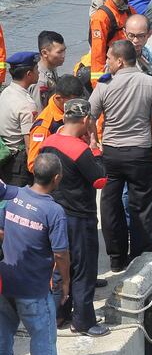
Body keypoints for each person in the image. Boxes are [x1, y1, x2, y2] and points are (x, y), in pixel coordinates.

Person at [0, 153, 78, 355]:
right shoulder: (53, 211)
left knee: (2, 332)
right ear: (57, 178)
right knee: (43, 335)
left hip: (6, 280)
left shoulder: (13, 196)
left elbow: (2, 230)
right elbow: (61, 253)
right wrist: (65, 282)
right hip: (33, 287)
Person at [89, 40, 152, 269]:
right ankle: (142, 255)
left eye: (109, 59)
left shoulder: (104, 84)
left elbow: (88, 117)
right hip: (140, 152)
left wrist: (95, 140)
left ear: (120, 60)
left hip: (111, 153)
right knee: (143, 205)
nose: (107, 63)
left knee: (110, 205)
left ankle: (117, 258)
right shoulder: (151, 83)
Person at [39, 99, 109, 336]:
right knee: (83, 268)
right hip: (79, 216)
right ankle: (84, 321)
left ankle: (59, 314)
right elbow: (100, 180)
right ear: (86, 120)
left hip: (53, 212)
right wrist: (95, 146)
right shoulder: (80, 150)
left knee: (60, 267)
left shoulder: (48, 143)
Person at [27, 75, 84, 173]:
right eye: (72, 102)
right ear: (58, 98)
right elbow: (33, 164)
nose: (77, 105)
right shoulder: (43, 126)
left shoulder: (75, 111)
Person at [0, 53, 41, 185]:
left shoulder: (6, 92)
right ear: (29, 74)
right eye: (36, 69)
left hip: (5, 154)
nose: (39, 72)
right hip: (19, 163)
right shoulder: (27, 104)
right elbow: (29, 143)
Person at [31, 31, 66, 107]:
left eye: (64, 50)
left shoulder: (52, 67)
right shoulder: (40, 81)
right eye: (59, 52)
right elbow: (39, 114)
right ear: (44, 53)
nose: (63, 55)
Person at [124, 14, 152, 79]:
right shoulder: (116, 56)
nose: (135, 40)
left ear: (149, 34)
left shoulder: (148, 52)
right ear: (124, 33)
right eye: (131, 36)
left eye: (141, 36)